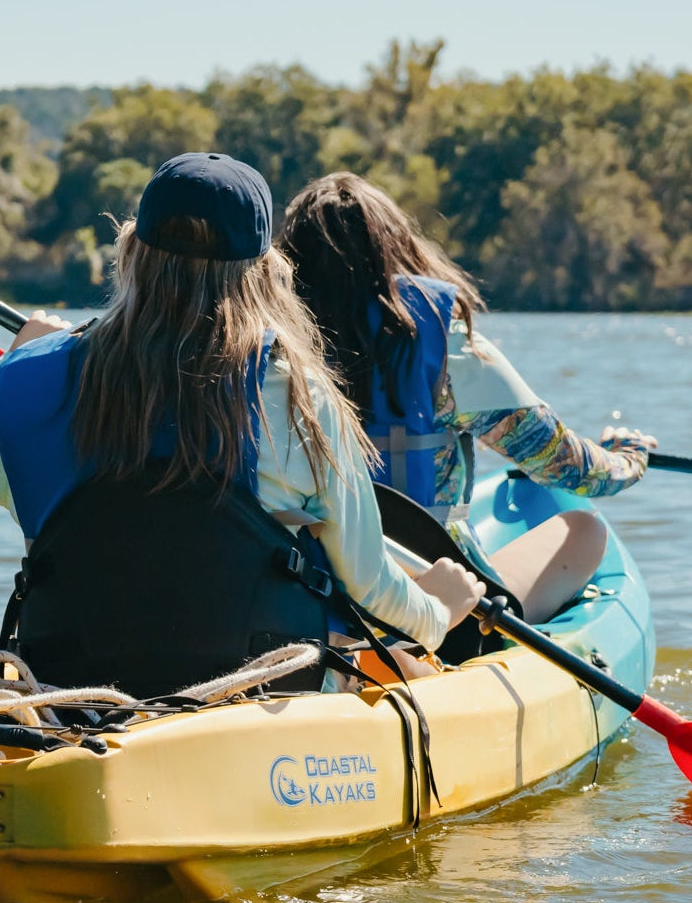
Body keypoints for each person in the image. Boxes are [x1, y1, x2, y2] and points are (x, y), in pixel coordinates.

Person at [0, 153, 485, 699]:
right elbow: (370, 587)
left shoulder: (33, 382)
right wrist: (438, 612)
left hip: (70, 694)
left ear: (131, 252)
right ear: (266, 271)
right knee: (410, 670)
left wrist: (11, 365)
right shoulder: (297, 394)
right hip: (260, 695)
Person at [278, 172, 656, 636]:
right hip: (438, 605)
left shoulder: (273, 351)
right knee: (585, 529)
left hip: (305, 594)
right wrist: (628, 457)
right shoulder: (444, 347)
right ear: (396, 250)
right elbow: (568, 469)